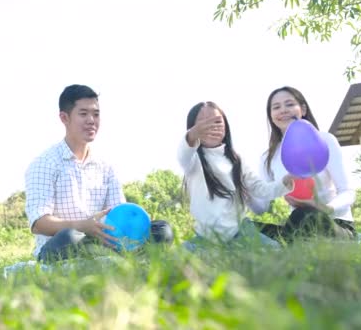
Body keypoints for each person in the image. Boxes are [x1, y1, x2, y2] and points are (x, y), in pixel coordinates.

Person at [25, 84, 174, 263]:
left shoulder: (105, 166)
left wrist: (136, 225)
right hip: (64, 244)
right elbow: (39, 223)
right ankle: (97, 262)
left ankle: (123, 261)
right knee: (71, 236)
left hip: (104, 242)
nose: (91, 120)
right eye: (83, 114)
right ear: (64, 118)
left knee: (161, 230)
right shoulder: (45, 163)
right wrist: (84, 226)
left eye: (96, 114)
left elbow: (118, 213)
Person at [177, 101, 294, 250]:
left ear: (225, 125)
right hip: (206, 237)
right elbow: (182, 153)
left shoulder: (236, 160)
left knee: (275, 250)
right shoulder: (192, 161)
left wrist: (285, 181)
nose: (212, 126)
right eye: (203, 123)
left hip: (241, 231)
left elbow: (261, 190)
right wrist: (192, 134)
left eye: (217, 121)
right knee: (182, 253)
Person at [249, 86, 357, 241]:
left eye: (289, 104)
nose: (283, 110)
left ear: (303, 109)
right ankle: (288, 244)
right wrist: (242, 191)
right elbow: (261, 207)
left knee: (306, 214)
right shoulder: (268, 157)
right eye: (276, 107)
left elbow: (348, 192)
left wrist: (325, 208)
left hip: (335, 224)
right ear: (271, 115)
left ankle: (283, 248)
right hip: (297, 225)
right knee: (243, 227)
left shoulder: (325, 140)